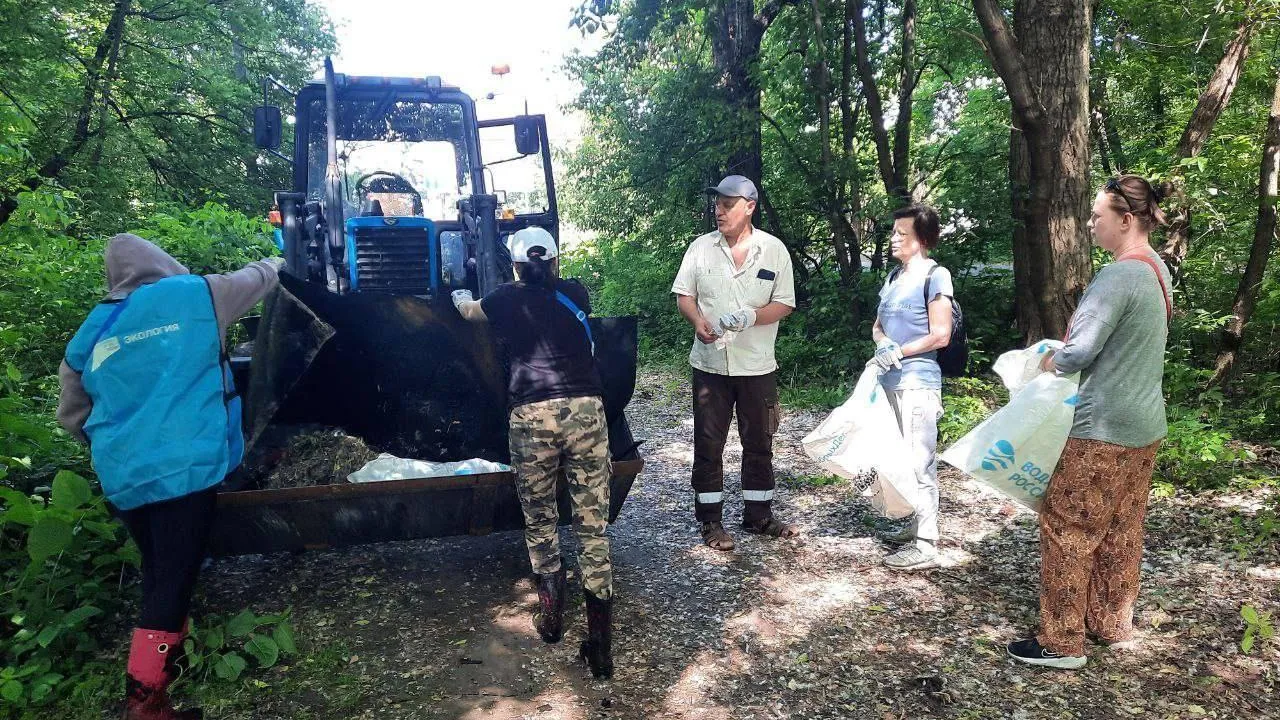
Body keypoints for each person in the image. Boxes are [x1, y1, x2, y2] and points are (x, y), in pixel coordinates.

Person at [57, 233, 282, 719]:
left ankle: (160, 680)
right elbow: (260, 278)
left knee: (160, 574)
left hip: (124, 479)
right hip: (185, 469)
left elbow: (72, 415)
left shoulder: (92, 331)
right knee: (173, 583)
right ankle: (145, 704)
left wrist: (119, 449)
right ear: (163, 262)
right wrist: (281, 258)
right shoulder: (196, 294)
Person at [1007, 175, 1171, 669]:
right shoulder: (1156, 269)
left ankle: (1060, 643)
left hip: (1101, 428)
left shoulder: (1118, 275)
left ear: (1126, 220)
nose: (1090, 223)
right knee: (1123, 526)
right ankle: (1110, 622)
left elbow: (1079, 352)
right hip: (1146, 424)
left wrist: (1042, 362)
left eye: (1097, 216)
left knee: (1068, 525)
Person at [450, 226, 616, 680]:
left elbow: (467, 312)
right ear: (556, 260)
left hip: (532, 416)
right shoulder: (576, 292)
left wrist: (460, 289)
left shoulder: (504, 299)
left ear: (516, 264)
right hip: (587, 410)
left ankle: (551, 618)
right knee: (592, 524)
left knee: (540, 516)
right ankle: (600, 647)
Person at [670, 174, 798, 551]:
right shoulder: (700, 248)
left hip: (757, 365)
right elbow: (684, 296)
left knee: (759, 441)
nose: (719, 211)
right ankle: (710, 521)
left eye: (728, 204)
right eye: (717, 204)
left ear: (750, 207)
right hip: (710, 365)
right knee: (708, 443)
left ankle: (759, 515)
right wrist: (698, 322)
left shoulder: (773, 250)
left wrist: (752, 317)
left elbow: (785, 303)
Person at [869, 204, 954, 571]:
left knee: (921, 460)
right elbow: (877, 325)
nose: (893, 238)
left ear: (921, 239)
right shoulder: (892, 277)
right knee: (899, 458)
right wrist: (882, 345)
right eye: (893, 232)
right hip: (889, 379)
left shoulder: (936, 276)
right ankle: (913, 524)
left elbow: (941, 334)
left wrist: (900, 351)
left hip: (918, 382)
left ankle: (927, 542)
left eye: (901, 233)